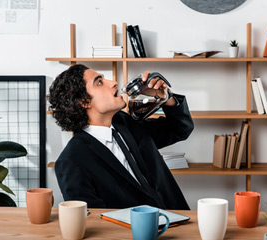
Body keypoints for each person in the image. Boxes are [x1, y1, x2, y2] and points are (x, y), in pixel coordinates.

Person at [48, 64, 194, 209]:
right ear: (83, 102)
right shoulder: (71, 161)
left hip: (180, 220)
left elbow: (180, 129)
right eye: (99, 82)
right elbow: (92, 221)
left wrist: (165, 97)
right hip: (133, 232)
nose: (114, 83)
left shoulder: (125, 123)